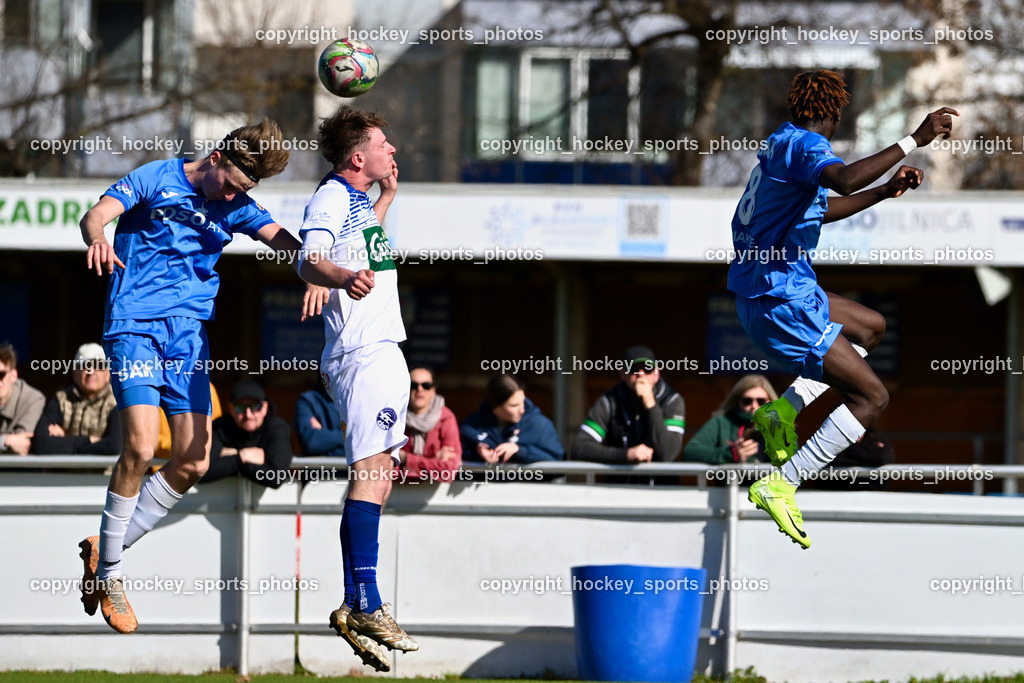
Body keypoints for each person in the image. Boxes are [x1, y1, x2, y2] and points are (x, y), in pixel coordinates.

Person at [77, 117, 375, 635]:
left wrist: (320, 271)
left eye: (247, 192)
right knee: (143, 448)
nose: (238, 197)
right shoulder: (157, 177)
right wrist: (99, 236)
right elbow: (97, 213)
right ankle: (113, 573)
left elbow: (289, 245)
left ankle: (105, 548)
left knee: (193, 460)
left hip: (189, 339)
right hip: (136, 328)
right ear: (217, 158)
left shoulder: (235, 205)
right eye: (236, 184)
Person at [727, 69, 957, 549]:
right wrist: (915, 138)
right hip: (780, 302)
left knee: (871, 328)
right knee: (872, 399)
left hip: (778, 290)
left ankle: (780, 414)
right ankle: (782, 483)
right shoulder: (806, 146)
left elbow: (826, 207)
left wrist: (885, 191)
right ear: (832, 113)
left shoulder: (781, 149)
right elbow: (845, 178)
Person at [299, 105, 413, 672]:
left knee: (381, 477)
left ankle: (355, 600)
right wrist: (341, 278)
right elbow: (309, 259)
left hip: (382, 354)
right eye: (383, 145)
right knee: (369, 475)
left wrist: (386, 202)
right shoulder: (331, 196)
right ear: (357, 156)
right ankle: (365, 601)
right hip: (364, 357)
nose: (393, 152)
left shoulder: (358, 204)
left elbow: (355, 244)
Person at [570, 346, 686, 466]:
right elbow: (579, 448)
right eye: (634, 369)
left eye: (647, 369)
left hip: (660, 484)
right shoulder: (610, 401)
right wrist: (627, 454)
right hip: (619, 484)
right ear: (623, 374)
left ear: (656, 374)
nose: (641, 374)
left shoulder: (671, 400)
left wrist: (650, 403)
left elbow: (669, 453)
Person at [199, 380, 294, 489]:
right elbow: (201, 473)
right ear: (231, 409)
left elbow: (275, 477)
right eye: (240, 407)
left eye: (255, 407)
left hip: (270, 503)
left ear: (265, 408)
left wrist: (231, 460)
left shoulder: (277, 428)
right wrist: (242, 457)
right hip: (222, 501)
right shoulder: (220, 427)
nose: (248, 415)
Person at [33, 343, 121, 455]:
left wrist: (66, 439)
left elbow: (114, 446)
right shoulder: (61, 399)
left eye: (98, 365)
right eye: (84, 365)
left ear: (108, 374)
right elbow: (42, 444)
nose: (90, 371)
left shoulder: (117, 400)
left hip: (104, 472)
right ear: (74, 373)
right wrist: (91, 440)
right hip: (64, 472)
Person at [461, 374, 565, 465]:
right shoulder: (470, 428)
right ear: (496, 406)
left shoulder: (540, 425)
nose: (522, 410)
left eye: (523, 402)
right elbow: (456, 459)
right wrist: (478, 455)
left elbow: (558, 462)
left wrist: (521, 451)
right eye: (514, 405)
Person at [682, 375, 777, 465]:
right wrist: (732, 453)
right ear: (737, 401)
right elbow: (690, 452)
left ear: (770, 401)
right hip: (733, 482)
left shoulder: (781, 425)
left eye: (761, 401)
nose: (754, 406)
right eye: (747, 401)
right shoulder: (722, 422)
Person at [397, 367, 462, 483]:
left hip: (434, 497)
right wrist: (432, 460)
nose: (419, 390)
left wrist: (405, 458)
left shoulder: (446, 419)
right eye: (413, 385)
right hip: (399, 494)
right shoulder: (396, 417)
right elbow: (388, 468)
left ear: (434, 390)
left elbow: (448, 471)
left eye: (426, 385)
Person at [0, 342, 45, 455]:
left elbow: (21, 447)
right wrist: (5, 441)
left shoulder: (32, 399)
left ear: (13, 376)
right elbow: (11, 444)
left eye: (1, 375)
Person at [156, 384, 221, 460]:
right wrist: (185, 447)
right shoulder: (159, 385)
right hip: (160, 464)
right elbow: (150, 441)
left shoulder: (208, 388)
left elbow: (215, 432)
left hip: (200, 463)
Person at [294, 381, 346, 458]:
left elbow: (365, 444)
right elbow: (311, 442)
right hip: (318, 469)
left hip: (351, 469)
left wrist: (324, 439)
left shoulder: (356, 400)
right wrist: (348, 437)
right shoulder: (307, 400)